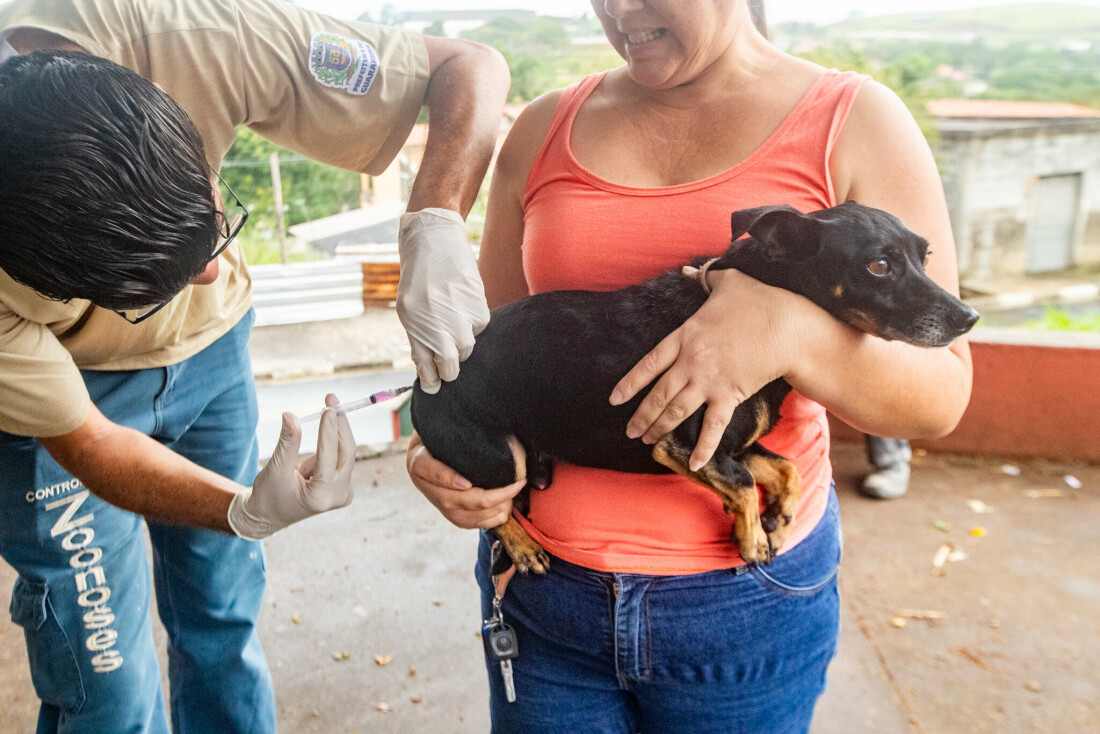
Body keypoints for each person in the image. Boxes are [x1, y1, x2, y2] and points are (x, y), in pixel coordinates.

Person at [407, 0, 973, 731]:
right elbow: (482, 351)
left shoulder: (856, 118)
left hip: (744, 601)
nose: (618, 9)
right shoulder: (542, 128)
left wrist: (788, 330)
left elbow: (939, 399)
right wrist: (439, 452)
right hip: (543, 595)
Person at [0, 0, 508, 731]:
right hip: (68, 399)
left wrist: (435, 219)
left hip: (214, 363)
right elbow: (91, 443)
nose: (209, 273)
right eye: (161, 287)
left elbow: (471, 67)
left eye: (215, 221)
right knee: (101, 680)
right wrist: (241, 508)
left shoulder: (204, 36)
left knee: (222, 618)